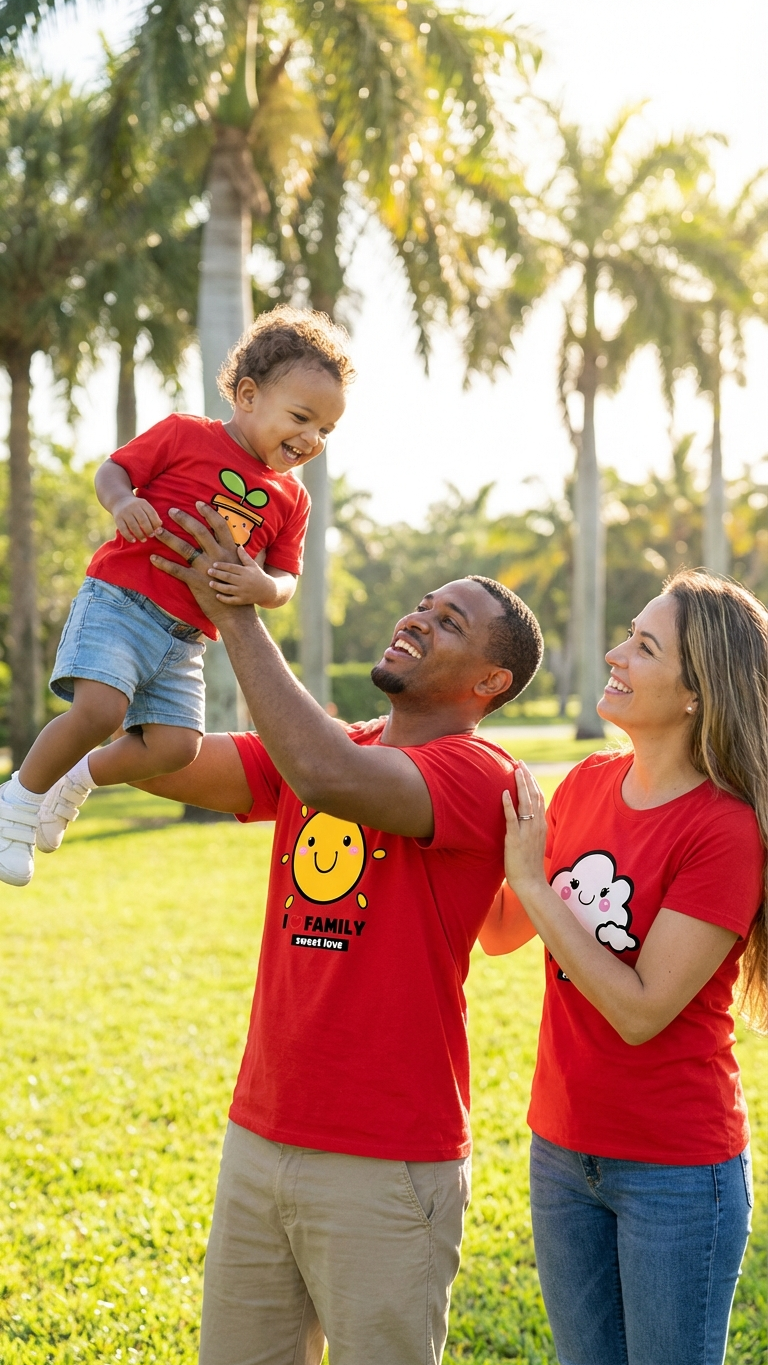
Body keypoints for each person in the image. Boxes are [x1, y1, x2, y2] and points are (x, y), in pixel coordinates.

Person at [128, 501, 543, 1364]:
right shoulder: (330, 739)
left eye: (449, 621)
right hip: (260, 1132)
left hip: (386, 1158)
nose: (417, 618)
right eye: (423, 604)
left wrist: (238, 606)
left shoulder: (476, 771)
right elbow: (169, 760)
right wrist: (133, 632)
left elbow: (325, 775)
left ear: (488, 683)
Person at [480, 569, 767, 1365]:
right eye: (627, 634)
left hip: (676, 1172)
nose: (615, 653)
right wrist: (458, 817)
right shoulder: (588, 784)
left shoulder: (724, 830)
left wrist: (536, 883)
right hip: (562, 1149)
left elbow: (641, 1010)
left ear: (695, 694)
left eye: (643, 646)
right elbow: (503, 931)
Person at [0, 306, 352, 888]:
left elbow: (285, 579)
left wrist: (262, 587)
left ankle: (76, 778)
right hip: (121, 601)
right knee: (101, 711)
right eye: (301, 417)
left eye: (326, 430)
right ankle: (15, 803)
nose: (312, 438)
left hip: (186, 638)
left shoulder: (292, 501)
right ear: (246, 395)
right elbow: (113, 471)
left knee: (175, 748)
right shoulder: (185, 434)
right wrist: (122, 503)